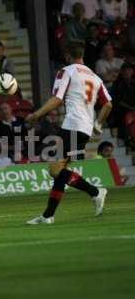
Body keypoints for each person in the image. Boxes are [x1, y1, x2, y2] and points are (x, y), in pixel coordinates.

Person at [25, 41, 113, 224]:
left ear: (67, 56)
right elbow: (108, 104)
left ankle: (96, 192)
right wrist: (98, 123)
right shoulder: (95, 77)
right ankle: (48, 215)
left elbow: (57, 99)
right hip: (86, 128)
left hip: (73, 125)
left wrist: (37, 114)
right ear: (82, 55)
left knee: (54, 170)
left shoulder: (67, 71)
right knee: (61, 169)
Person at [110, 63, 135, 139]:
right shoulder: (117, 84)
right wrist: (131, 108)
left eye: (129, 70)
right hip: (122, 110)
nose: (127, 72)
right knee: (127, 118)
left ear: (132, 71)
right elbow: (117, 100)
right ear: (121, 72)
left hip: (133, 109)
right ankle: (129, 140)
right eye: (125, 70)